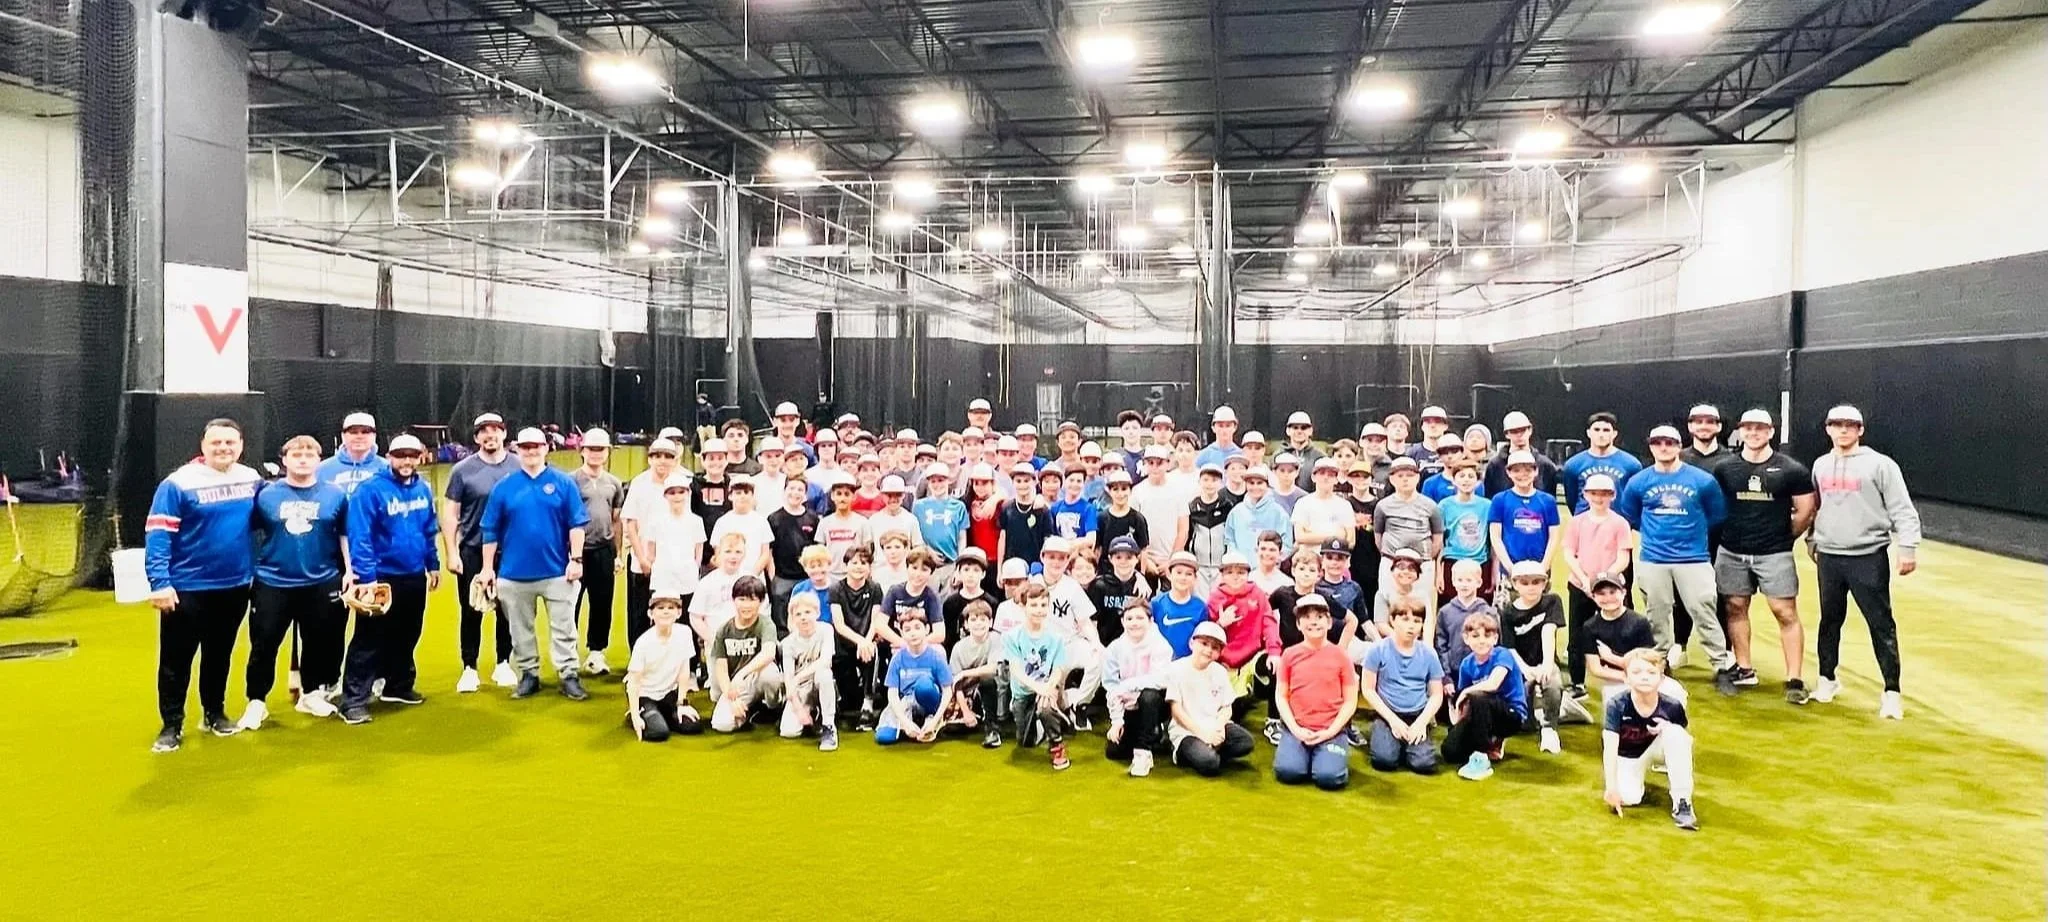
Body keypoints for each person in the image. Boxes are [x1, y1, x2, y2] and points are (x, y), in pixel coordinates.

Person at [146, 419, 262, 751]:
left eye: (230, 442)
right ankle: (171, 725)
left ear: (240, 445)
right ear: (203, 446)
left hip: (236, 585)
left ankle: (214, 713)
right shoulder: (177, 483)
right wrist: (159, 582)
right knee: (176, 660)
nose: (223, 448)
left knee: (219, 654)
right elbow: (158, 534)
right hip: (187, 587)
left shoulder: (251, 479)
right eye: (216, 443)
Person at [1809, 405, 1921, 719]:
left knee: (1880, 623)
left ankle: (1891, 692)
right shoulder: (1820, 465)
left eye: (1850, 425)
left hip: (1867, 556)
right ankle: (1827, 679)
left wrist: (1907, 547)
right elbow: (1817, 506)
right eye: (1836, 424)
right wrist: (1812, 539)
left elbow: (1902, 508)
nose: (1843, 430)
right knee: (1829, 620)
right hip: (1830, 556)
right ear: (1828, 429)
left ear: (1860, 430)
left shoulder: (1880, 465)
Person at [1618, 425, 1738, 694]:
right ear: (1651, 446)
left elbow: (1716, 515)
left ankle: (1721, 666)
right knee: (1657, 613)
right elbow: (1632, 516)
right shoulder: (1639, 481)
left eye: (1670, 443)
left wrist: (1690, 535)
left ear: (1679, 446)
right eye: (1658, 442)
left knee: (1704, 610)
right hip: (1654, 558)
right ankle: (1659, 663)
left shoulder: (1702, 480)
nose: (1664, 447)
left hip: (1693, 558)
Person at [241, 436, 350, 728]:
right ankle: (257, 702)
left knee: (317, 641)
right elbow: (249, 533)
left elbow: (344, 534)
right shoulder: (266, 495)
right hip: (273, 581)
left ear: (319, 460)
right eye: (296, 455)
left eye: (309, 455)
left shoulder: (335, 495)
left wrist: (350, 571)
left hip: (321, 579)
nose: (303, 460)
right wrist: (250, 569)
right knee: (264, 643)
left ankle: (311, 693)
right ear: (284, 460)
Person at [479, 427, 592, 702]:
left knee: (564, 629)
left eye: (536, 446)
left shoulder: (563, 483)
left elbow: (576, 525)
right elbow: (490, 530)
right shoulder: (504, 487)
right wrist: (487, 568)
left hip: (557, 571)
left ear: (546, 448)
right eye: (526, 447)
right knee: (520, 631)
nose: (531, 451)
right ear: (517, 449)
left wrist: (576, 559)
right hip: (513, 574)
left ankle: (568, 675)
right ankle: (529, 674)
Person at [1714, 409, 1818, 703]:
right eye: (1748, 427)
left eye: (1760, 428)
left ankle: (1794, 679)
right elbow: (1716, 506)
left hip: (1774, 553)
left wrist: (1785, 536)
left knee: (1784, 611)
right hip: (1732, 550)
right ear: (1740, 431)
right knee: (1735, 607)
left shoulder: (1791, 469)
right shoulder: (1725, 468)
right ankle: (1744, 669)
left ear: (1771, 432)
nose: (1754, 433)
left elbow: (1805, 511)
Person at [340, 434, 441, 724]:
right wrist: (366, 577)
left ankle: (398, 686)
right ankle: (354, 700)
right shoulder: (370, 490)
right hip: (381, 576)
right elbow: (360, 536)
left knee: (409, 632)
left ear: (420, 456)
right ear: (389, 457)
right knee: (369, 638)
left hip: (413, 573)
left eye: (412, 455)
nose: (407, 461)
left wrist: (433, 564)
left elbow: (428, 529)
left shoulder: (422, 488)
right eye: (400, 455)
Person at [442, 412, 517, 692]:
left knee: (507, 609)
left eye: (495, 429)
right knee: (472, 609)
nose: (490, 435)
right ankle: (469, 668)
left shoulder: (519, 465)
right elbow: (451, 514)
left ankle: (503, 663)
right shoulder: (462, 470)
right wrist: (452, 552)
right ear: (476, 437)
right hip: (473, 549)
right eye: (484, 431)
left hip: (511, 551)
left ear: (504, 433)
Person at [1603, 649, 1699, 830]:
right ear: (1626, 678)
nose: (1644, 677)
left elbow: (1685, 741)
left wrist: (1667, 728)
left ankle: (1682, 802)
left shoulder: (1672, 706)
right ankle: (1633, 779)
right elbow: (1609, 747)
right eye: (1637, 672)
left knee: (1675, 734)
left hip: (1657, 747)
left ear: (1661, 679)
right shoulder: (1617, 705)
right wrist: (1611, 787)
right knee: (1629, 798)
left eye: (1651, 672)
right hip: (1629, 755)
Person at [1272, 595, 1358, 790]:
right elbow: (1281, 696)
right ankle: (1301, 754)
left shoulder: (1341, 656)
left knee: (1329, 777)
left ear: (1329, 622)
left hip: (1332, 730)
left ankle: (1329, 756)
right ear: (1298, 624)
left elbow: (1350, 701)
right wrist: (1295, 729)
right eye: (1306, 617)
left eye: (1319, 617)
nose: (1313, 622)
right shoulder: (1289, 655)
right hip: (1297, 729)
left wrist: (1331, 731)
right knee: (1288, 772)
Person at [1562, 473, 1632, 698]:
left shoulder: (1619, 523)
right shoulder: (1577, 522)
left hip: (1609, 587)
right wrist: (1585, 580)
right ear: (1585, 495)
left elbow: (1623, 557)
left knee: (1616, 632)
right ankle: (1577, 682)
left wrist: (1605, 579)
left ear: (1613, 496)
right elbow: (1569, 553)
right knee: (1577, 634)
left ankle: (1620, 679)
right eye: (1594, 493)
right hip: (1579, 585)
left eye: (1604, 494)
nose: (1599, 498)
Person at [1358, 598, 1444, 774]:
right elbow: (1368, 689)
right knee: (1385, 760)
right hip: (1388, 714)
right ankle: (1385, 735)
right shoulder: (1378, 650)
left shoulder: (1429, 654)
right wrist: (1393, 721)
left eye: (1417, 621)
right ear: (1392, 620)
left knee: (1424, 764)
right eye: (1405, 620)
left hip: (1417, 715)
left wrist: (1421, 722)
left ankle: (1410, 743)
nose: (1411, 626)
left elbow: (1436, 694)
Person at [1164, 621, 1256, 776]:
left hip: (1213, 725)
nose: (1208, 650)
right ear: (1192, 643)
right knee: (1209, 763)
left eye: (1214, 647)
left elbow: (1227, 707)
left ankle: (1209, 749)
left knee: (1246, 742)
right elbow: (1176, 711)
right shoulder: (1177, 669)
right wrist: (1203, 735)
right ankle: (1193, 753)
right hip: (1187, 731)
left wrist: (1219, 727)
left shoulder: (1220, 671)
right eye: (1204, 644)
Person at [1443, 612, 1528, 781]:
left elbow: (1493, 684)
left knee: (1478, 696)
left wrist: (1466, 692)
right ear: (1466, 639)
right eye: (1475, 636)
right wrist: (1459, 724)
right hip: (1482, 714)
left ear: (1495, 638)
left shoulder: (1503, 654)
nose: (1481, 641)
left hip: (1510, 715)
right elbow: (1464, 703)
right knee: (1450, 752)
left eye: (1487, 636)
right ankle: (1491, 741)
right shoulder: (1467, 664)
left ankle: (1481, 757)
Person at [1002, 582, 1076, 770]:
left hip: (1047, 689)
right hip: (1023, 694)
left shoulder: (1056, 638)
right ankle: (1043, 724)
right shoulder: (1012, 637)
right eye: (1033, 605)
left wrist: (1048, 688)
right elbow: (1016, 670)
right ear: (1023, 606)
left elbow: (1058, 669)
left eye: (1043, 605)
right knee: (1026, 742)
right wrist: (1038, 688)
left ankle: (1056, 744)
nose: (1039, 610)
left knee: (1045, 708)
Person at [1208, 550, 1281, 740]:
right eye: (1230, 572)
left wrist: (1274, 651)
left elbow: (1269, 623)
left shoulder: (1258, 594)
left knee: (1275, 665)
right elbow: (1206, 635)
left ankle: (1273, 721)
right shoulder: (1215, 598)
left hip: (1251, 660)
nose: (1235, 576)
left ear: (1248, 574)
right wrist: (1220, 624)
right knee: (1233, 717)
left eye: (1241, 572)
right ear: (1222, 575)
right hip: (1224, 664)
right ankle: (1241, 702)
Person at [570, 429, 625, 677]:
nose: (596, 453)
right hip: (575, 552)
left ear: (607, 452)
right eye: (591, 449)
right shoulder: (570, 481)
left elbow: (616, 520)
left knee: (602, 603)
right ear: (582, 450)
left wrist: (618, 554)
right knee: (570, 604)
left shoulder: (614, 483)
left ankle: (596, 652)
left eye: (600, 449)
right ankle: (568, 653)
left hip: (604, 550)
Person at [1502, 560, 1573, 751]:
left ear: (1544, 583)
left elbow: (1548, 630)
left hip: (1544, 661)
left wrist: (1547, 664)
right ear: (1515, 584)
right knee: (1523, 724)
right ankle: (1539, 713)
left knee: (1552, 682)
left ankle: (1550, 726)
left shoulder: (1552, 601)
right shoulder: (1507, 612)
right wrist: (1525, 670)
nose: (1531, 587)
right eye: (1524, 583)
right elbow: (1509, 648)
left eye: (1536, 582)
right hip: (1520, 665)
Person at [1101, 601, 1174, 777]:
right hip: (1128, 704)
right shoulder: (1115, 648)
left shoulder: (1161, 645)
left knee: (1149, 696)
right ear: (1122, 622)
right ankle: (1153, 735)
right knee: (1115, 752)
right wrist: (1117, 720)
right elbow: (1111, 686)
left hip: (1157, 702)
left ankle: (1144, 752)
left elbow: (1160, 680)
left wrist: (1129, 685)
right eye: (1129, 618)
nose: (1134, 623)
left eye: (1140, 618)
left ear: (1150, 620)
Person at [1581, 574, 1677, 703]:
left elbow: (1647, 662)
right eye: (1601, 594)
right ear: (1593, 597)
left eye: (1613, 592)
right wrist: (1625, 677)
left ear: (1624, 593)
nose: (1608, 598)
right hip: (1615, 680)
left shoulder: (1639, 622)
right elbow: (1595, 668)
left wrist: (1613, 658)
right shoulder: (1590, 627)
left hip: (1645, 677)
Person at [638, 473, 704, 652]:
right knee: (662, 619)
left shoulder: (696, 521)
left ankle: (690, 662)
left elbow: (698, 552)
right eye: (672, 492)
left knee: (687, 621)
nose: (677, 496)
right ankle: (659, 658)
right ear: (665, 495)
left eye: (681, 492)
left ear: (688, 493)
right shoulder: (656, 521)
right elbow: (650, 551)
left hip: (688, 579)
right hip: (663, 578)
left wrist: (691, 570)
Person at [624, 593, 703, 742]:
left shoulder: (685, 632)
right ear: (651, 613)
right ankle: (640, 712)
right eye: (660, 608)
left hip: (668, 693)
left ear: (679, 613)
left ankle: (661, 714)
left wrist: (682, 703)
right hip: (645, 694)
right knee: (658, 733)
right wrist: (635, 717)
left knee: (692, 726)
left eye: (671, 608)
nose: (666, 611)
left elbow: (684, 671)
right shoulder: (643, 643)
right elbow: (633, 682)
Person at [707, 577, 782, 732]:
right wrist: (731, 696)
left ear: (761, 602)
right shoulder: (724, 629)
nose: (746, 605)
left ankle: (773, 708)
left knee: (770, 675)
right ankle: (747, 712)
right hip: (737, 684)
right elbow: (721, 668)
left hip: (757, 675)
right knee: (721, 724)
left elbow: (769, 653)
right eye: (742, 599)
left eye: (752, 600)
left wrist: (742, 673)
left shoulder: (766, 624)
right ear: (733, 600)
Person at [1488, 449, 1561, 596]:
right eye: (1516, 470)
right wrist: (1510, 567)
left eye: (1528, 470)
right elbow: (1495, 537)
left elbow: (1554, 537)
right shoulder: (1500, 500)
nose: (1523, 475)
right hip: (1510, 570)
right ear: (1508, 473)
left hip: (1539, 569)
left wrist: (1544, 566)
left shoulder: (1547, 501)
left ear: (1536, 471)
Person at [874, 614, 955, 745]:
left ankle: (930, 720)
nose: (913, 633)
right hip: (906, 702)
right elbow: (892, 693)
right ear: (901, 633)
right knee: (884, 737)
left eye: (917, 628)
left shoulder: (936, 656)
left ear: (927, 629)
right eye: (907, 630)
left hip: (929, 699)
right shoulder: (897, 658)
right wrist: (905, 723)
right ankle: (913, 725)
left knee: (924, 686)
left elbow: (947, 692)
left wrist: (935, 721)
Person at [830, 547, 885, 729]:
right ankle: (845, 700)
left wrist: (866, 641)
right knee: (850, 698)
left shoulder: (875, 588)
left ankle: (868, 703)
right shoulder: (836, 589)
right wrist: (859, 641)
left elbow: (875, 620)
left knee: (872, 651)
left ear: (869, 567)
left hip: (867, 640)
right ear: (846, 565)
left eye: (863, 563)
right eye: (854, 562)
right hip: (845, 642)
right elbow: (839, 625)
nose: (858, 567)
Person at [1373, 457, 1443, 598]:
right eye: (1400, 476)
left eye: (1410, 475)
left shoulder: (1431, 505)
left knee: (1421, 604)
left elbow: (1438, 538)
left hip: (1422, 564)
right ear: (1392, 479)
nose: (1405, 479)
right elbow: (1378, 537)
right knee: (1389, 602)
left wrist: (1425, 557)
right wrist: (1391, 556)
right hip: (1391, 563)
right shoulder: (1382, 506)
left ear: (1417, 478)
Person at [779, 590, 840, 750]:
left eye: (807, 612)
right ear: (792, 618)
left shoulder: (826, 630)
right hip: (801, 689)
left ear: (817, 613)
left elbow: (825, 660)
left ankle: (828, 725)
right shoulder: (788, 643)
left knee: (824, 674)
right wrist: (799, 709)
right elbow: (789, 680)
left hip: (820, 682)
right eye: (798, 614)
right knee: (789, 731)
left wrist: (798, 678)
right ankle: (812, 713)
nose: (803, 617)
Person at [946, 598, 1005, 749]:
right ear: (966, 625)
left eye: (983, 619)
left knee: (987, 679)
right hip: (967, 695)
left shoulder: (996, 639)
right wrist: (965, 711)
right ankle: (968, 715)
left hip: (993, 690)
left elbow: (993, 668)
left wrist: (966, 673)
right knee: (953, 728)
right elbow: (956, 684)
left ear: (990, 622)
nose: (978, 623)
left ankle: (992, 730)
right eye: (973, 619)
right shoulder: (959, 648)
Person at [767, 476, 821, 633]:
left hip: (806, 578)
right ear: (784, 491)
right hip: (782, 578)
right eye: (791, 488)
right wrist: (773, 577)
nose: (795, 493)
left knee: (806, 618)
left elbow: (817, 549)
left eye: (800, 490)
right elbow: (769, 551)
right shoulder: (774, 518)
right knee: (782, 623)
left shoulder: (812, 519)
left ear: (805, 494)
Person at [1562, 412, 1643, 514]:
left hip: (1617, 520)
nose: (1601, 434)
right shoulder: (1573, 465)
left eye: (1606, 430)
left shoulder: (1631, 465)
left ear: (1614, 434)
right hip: (1585, 521)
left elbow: (1635, 501)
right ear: (1588, 433)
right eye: (1596, 430)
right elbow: (1571, 499)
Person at [1435, 560, 1496, 686]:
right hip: (1454, 675)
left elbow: (1497, 644)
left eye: (1469, 580)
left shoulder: (1488, 612)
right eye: (1460, 580)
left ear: (1479, 582)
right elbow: (1441, 646)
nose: (1464, 585)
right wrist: (1446, 676)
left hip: (1483, 674)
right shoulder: (1445, 612)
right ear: (1453, 581)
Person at [1437, 465, 1491, 601]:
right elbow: (1439, 542)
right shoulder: (1444, 505)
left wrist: (1494, 574)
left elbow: (1492, 541)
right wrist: (1438, 573)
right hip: (1452, 561)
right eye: (1461, 476)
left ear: (1478, 482)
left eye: (1471, 476)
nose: (1466, 480)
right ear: (1453, 480)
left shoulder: (1487, 506)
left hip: (1480, 562)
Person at [1087, 536, 1153, 647]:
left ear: (1137, 559)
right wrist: (1097, 646)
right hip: (1104, 646)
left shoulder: (1142, 587)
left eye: (1129, 557)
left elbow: (1148, 622)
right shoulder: (1099, 585)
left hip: (1134, 647)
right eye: (1118, 557)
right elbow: (1092, 621)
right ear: (1110, 558)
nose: (1123, 562)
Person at [709, 477, 773, 585]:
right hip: (728, 581)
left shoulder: (761, 521)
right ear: (730, 496)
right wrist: (732, 575)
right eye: (738, 493)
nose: (742, 496)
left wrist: (751, 575)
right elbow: (718, 554)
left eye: (746, 492)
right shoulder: (722, 522)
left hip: (755, 580)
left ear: (752, 496)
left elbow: (765, 554)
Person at [1484, 411, 1561, 497]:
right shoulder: (1494, 465)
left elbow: (1550, 498)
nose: (1519, 435)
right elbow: (1489, 498)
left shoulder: (1545, 465)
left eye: (1523, 430)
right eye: (1514, 431)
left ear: (1530, 430)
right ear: (1506, 434)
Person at [879, 548, 945, 646]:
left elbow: (940, 634)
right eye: (914, 568)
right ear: (907, 568)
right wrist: (901, 643)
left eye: (924, 570)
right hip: (896, 644)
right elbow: (880, 624)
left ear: (931, 573)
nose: (918, 574)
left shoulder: (932, 597)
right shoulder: (894, 592)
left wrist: (913, 644)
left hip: (921, 646)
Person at [1225, 466, 1293, 559]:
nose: (1255, 487)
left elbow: (1286, 545)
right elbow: (1229, 541)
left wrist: (1273, 561)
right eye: (1251, 483)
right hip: (1242, 566)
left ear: (1267, 485)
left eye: (1259, 483)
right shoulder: (1236, 512)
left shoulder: (1279, 513)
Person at [1151, 551, 1209, 658]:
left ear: (1195, 578)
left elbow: (1203, 640)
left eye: (1189, 574)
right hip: (1161, 662)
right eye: (1179, 572)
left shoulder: (1200, 607)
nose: (1183, 578)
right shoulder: (1156, 603)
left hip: (1188, 663)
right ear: (1169, 574)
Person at [317, 411, 388, 495]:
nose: (359, 436)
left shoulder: (387, 468)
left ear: (374, 436)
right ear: (343, 435)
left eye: (365, 432)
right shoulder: (322, 469)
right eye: (353, 432)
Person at [1186, 463, 1233, 590]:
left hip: (1220, 566)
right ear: (1199, 481)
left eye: (1214, 480)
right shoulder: (1192, 507)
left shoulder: (1227, 507)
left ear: (1221, 483)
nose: (1209, 484)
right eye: (1206, 480)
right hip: (1198, 566)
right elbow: (1187, 536)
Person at [1291, 458, 1352, 553]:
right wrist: (1336, 536)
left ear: (1336, 479)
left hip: (1336, 557)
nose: (1326, 477)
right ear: (1313, 477)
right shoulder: (1303, 503)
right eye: (1322, 473)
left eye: (1330, 475)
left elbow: (1351, 541)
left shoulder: (1345, 505)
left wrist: (1312, 536)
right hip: (1309, 558)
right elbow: (1299, 537)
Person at [818, 479, 872, 579]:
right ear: (832, 496)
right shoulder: (824, 523)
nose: (842, 498)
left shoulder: (862, 522)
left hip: (855, 574)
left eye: (847, 494)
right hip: (831, 575)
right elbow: (820, 552)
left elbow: (867, 552)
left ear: (854, 496)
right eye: (839, 494)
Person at [1282, 411, 1326, 492]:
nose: (1299, 431)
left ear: (1311, 431)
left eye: (1304, 428)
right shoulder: (1279, 455)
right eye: (1295, 428)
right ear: (1288, 431)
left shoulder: (1320, 456)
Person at [1249, 531, 1290, 595]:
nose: (1267, 553)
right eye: (1263, 549)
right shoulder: (1248, 579)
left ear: (1280, 554)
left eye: (1272, 550)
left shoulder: (1287, 583)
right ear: (1257, 551)